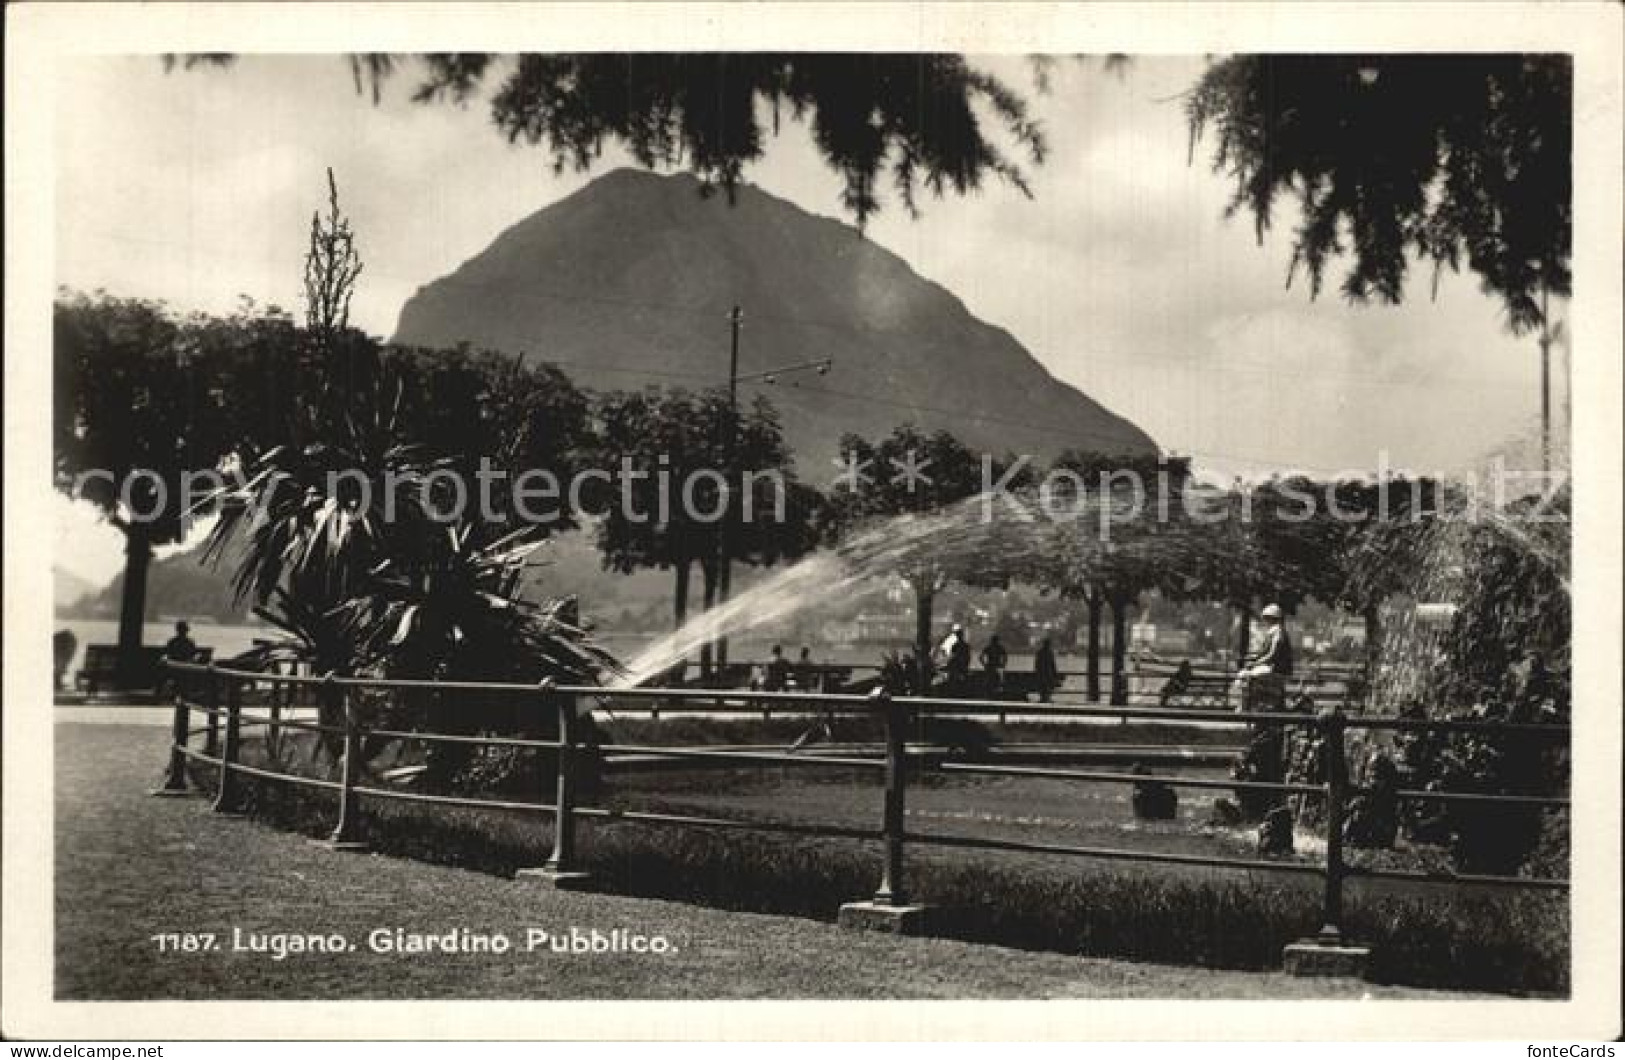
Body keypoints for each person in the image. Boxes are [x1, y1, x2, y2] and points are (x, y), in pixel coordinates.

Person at [1238, 604, 1293, 710]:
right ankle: (1253, 704)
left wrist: (1255, 663)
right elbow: (1264, 653)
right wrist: (1252, 658)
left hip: (1277, 669)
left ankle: (1250, 705)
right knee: (1245, 675)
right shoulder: (1274, 631)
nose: (1265, 620)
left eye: (1267, 618)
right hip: (1273, 667)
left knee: (1247, 676)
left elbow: (1272, 654)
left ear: (1272, 618)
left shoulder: (1278, 632)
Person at [936, 623, 970, 691]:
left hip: (957, 667)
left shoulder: (956, 645)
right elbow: (967, 657)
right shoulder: (965, 646)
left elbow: (952, 656)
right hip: (961, 667)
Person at [1033, 636, 1059, 703]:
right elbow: (1053, 664)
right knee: (1048, 685)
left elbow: (1037, 664)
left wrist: (1037, 671)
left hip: (1041, 673)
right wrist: (1054, 672)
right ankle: (1046, 698)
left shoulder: (1040, 652)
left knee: (1043, 686)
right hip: (1048, 673)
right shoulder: (1050, 653)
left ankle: (1043, 698)